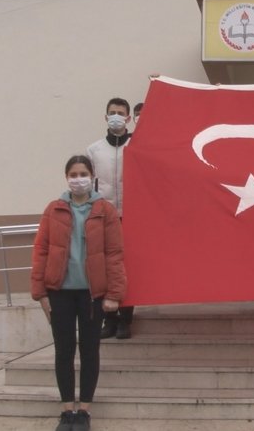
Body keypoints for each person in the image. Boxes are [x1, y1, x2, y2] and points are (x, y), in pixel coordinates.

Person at [30, 155, 126, 431]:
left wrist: (114, 293)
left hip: (92, 295)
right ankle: (66, 410)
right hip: (59, 292)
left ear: (92, 176)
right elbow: (41, 251)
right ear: (66, 178)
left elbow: (115, 253)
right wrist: (40, 293)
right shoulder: (54, 210)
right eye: (73, 174)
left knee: (90, 350)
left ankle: (84, 410)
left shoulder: (104, 210)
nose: (78, 178)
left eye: (83, 173)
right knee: (63, 350)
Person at [86, 97, 136, 339]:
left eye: (120, 113)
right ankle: (109, 319)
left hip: (132, 216)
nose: (116, 116)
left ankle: (127, 318)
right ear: (105, 117)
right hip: (105, 216)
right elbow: (88, 183)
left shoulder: (138, 144)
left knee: (127, 268)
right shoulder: (94, 150)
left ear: (128, 118)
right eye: (112, 112)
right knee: (106, 268)